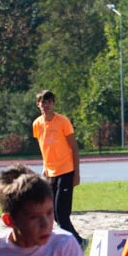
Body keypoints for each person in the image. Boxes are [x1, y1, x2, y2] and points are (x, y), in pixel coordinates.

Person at [32, 89, 83, 247]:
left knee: (62, 213)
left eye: (49, 102)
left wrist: (76, 173)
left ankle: (78, 242)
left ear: (53, 104)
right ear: (38, 104)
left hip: (66, 170)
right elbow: (44, 148)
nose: (46, 105)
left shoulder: (63, 122)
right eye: (43, 102)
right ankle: (71, 243)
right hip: (50, 173)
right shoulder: (37, 124)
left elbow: (74, 148)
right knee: (52, 213)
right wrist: (44, 167)